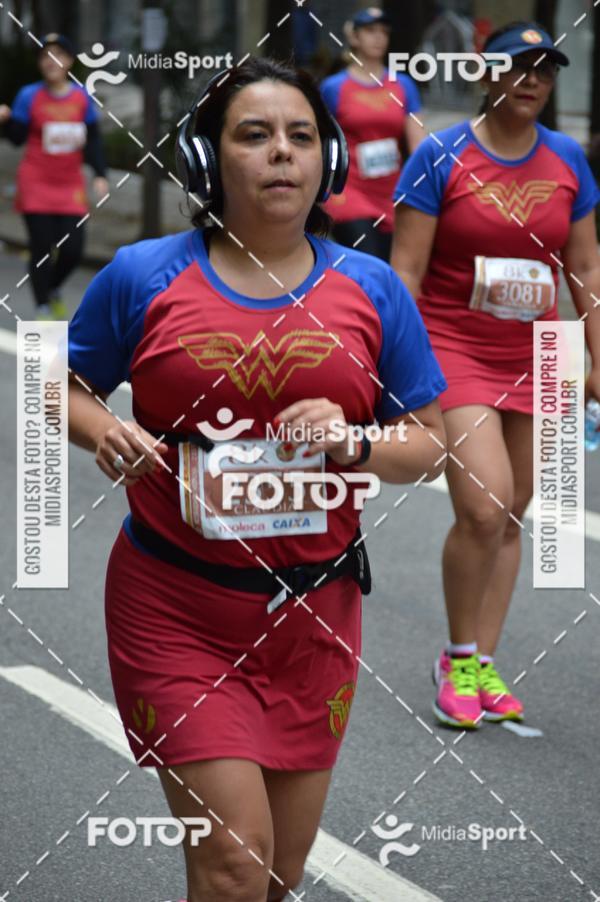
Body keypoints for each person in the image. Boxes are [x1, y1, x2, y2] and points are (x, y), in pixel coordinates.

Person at [68, 58, 447, 902]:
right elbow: (62, 388)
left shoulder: (374, 289)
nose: (282, 152)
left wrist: (353, 441)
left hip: (314, 620)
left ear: (329, 160)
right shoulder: (141, 275)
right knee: (234, 864)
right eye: (254, 134)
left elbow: (430, 445)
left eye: (301, 136)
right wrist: (104, 429)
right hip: (175, 610)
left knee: (277, 876)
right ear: (208, 160)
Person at [392, 22, 600, 730]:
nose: (533, 79)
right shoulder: (441, 155)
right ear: (488, 74)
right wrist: (396, 367)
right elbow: (406, 273)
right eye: (519, 66)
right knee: (483, 507)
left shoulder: (568, 159)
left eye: (546, 69)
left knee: (514, 511)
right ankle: (455, 659)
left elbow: (585, 266)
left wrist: (596, 356)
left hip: (542, 353)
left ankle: (483, 658)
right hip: (455, 347)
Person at [0, 33, 107, 320]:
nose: (51, 61)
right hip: (35, 183)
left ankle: (52, 289)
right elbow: (17, 138)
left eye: (58, 54)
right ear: (40, 63)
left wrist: (100, 174)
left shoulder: (81, 97)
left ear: (69, 61)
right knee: (42, 247)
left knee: (73, 250)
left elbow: (93, 139)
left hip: (70, 185)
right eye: (45, 56)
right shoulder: (29, 95)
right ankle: (42, 308)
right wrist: (6, 120)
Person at [320, 7, 423, 261]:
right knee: (368, 260)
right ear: (354, 37)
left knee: (389, 267)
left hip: (392, 195)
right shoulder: (333, 88)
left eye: (384, 32)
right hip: (349, 193)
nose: (378, 37)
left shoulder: (403, 85)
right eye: (370, 30)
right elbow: (319, 143)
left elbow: (419, 146)